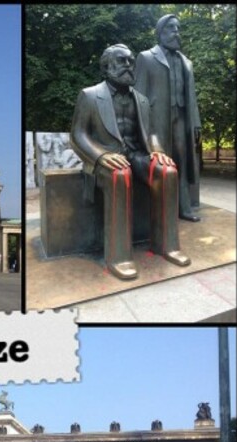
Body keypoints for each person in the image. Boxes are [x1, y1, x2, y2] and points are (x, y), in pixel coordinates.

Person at [70, 43, 191, 280]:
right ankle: (119, 256)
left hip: (136, 154)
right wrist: (102, 156)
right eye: (121, 61)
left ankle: (167, 246)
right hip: (106, 160)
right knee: (119, 174)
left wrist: (157, 151)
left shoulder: (142, 100)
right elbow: (78, 135)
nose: (128, 66)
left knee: (167, 171)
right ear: (106, 68)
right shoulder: (90, 95)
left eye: (130, 61)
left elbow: (151, 133)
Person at [135, 15, 201, 222]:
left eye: (177, 28)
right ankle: (162, 210)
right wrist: (141, 126)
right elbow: (139, 94)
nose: (176, 32)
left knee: (180, 160)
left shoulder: (185, 62)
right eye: (171, 28)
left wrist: (196, 122)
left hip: (181, 118)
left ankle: (184, 207)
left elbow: (191, 96)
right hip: (156, 120)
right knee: (162, 163)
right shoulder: (146, 58)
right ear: (160, 31)